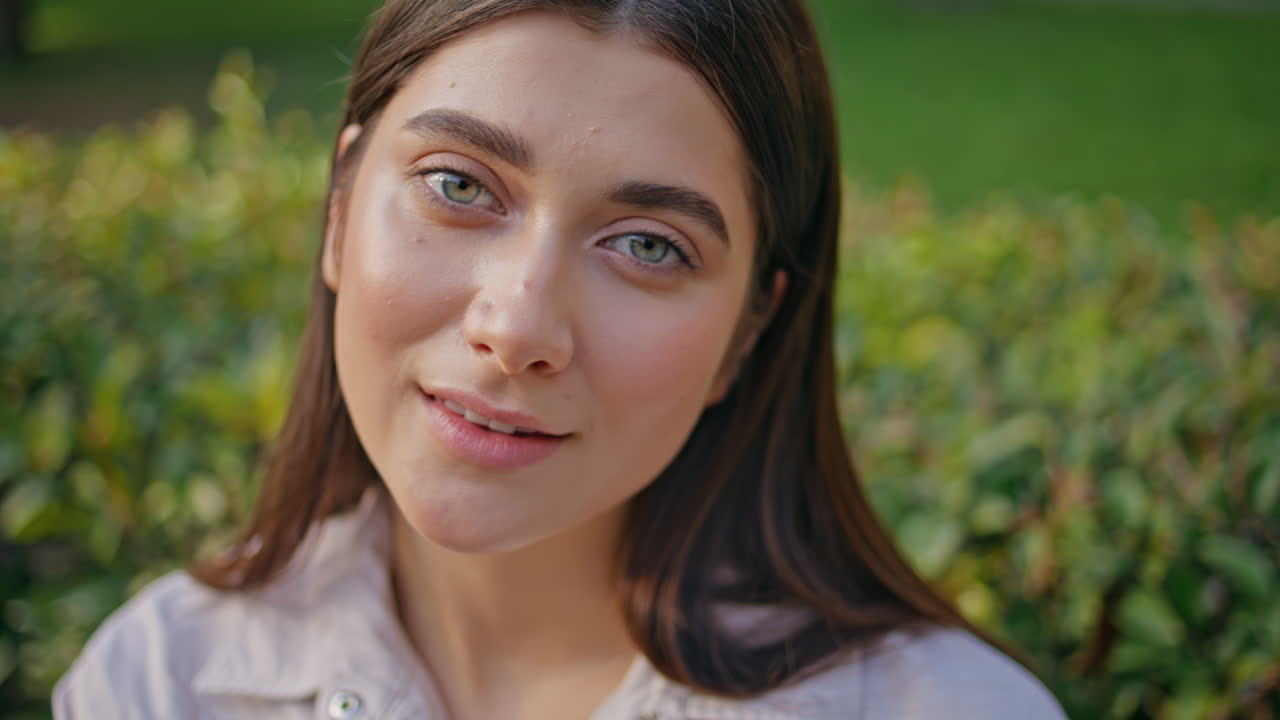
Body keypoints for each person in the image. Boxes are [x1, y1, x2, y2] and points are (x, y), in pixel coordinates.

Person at [53, 1, 1068, 718]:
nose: (518, 326)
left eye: (646, 245)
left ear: (746, 336)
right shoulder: (158, 683)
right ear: (338, 210)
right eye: (457, 185)